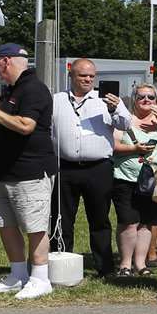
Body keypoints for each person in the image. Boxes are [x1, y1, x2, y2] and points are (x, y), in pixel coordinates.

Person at [0, 44, 56, 299]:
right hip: (5, 171)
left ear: (5, 62)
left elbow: (25, 126)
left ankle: (40, 278)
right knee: (6, 224)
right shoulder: (14, 89)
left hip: (30, 171)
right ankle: (17, 274)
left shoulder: (34, 89)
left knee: (34, 226)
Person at [52, 58, 123, 272]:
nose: (88, 79)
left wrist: (115, 109)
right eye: (83, 75)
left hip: (98, 168)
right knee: (61, 218)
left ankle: (104, 266)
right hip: (65, 167)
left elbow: (125, 124)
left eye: (92, 76)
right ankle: (62, 264)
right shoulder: (56, 100)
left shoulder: (106, 101)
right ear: (71, 75)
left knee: (100, 219)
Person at [110, 82, 157, 276]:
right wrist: (135, 149)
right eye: (141, 97)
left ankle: (140, 264)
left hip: (154, 180)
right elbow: (113, 145)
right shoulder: (125, 120)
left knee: (146, 223)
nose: (146, 100)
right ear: (134, 100)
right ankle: (125, 264)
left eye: (150, 97)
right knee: (129, 221)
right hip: (126, 178)